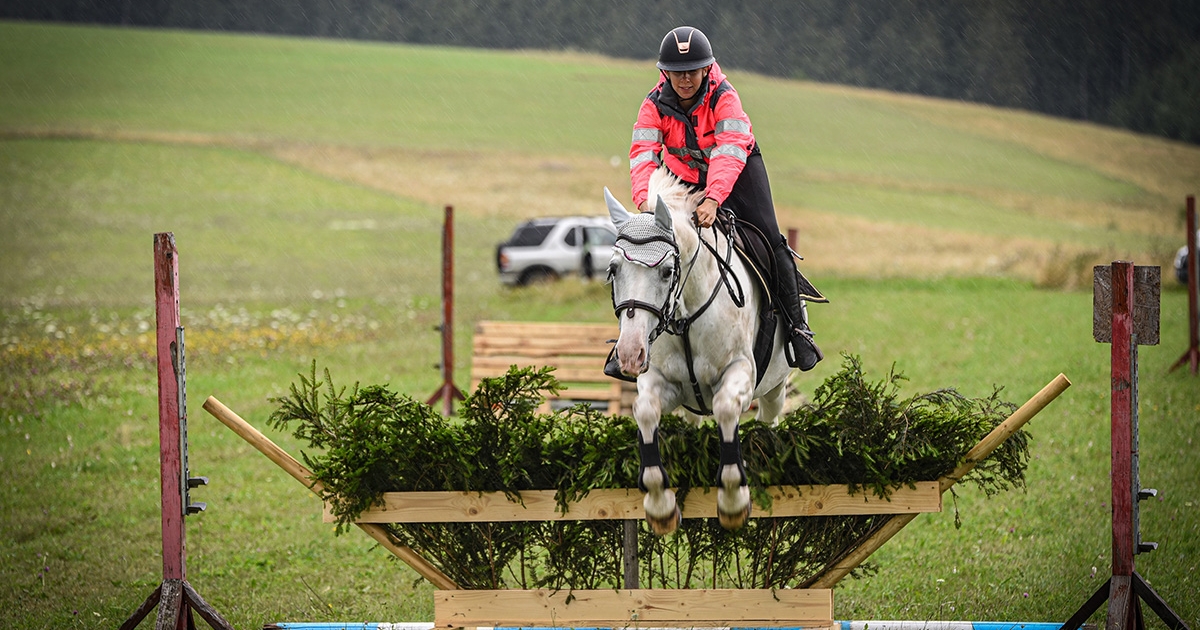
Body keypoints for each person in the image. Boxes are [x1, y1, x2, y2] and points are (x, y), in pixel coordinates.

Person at [628, 25, 823, 371]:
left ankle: (798, 330)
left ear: (706, 69)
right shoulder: (652, 105)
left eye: (692, 71)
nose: (684, 79)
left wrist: (714, 198)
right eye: (676, 72)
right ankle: (632, 341)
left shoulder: (725, 97)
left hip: (739, 168)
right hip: (684, 176)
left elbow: (729, 150)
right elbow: (643, 153)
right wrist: (645, 202)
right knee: (649, 247)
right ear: (664, 73)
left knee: (769, 238)